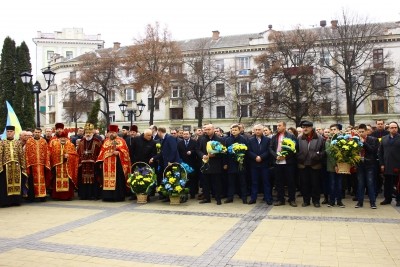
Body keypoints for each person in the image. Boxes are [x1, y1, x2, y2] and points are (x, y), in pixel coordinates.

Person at [96, 125, 131, 201]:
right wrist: (107, 154)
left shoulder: (121, 141)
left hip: (117, 164)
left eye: (113, 132)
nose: (112, 134)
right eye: (110, 132)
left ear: (117, 132)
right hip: (106, 164)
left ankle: (117, 196)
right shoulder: (106, 141)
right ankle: (107, 196)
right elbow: (102, 152)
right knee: (106, 179)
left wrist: (118, 152)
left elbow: (126, 152)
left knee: (118, 179)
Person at [297, 121, 325, 208]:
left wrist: (318, 156)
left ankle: (316, 201)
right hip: (303, 164)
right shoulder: (299, 138)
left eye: (307, 127)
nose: (305, 129)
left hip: (315, 164)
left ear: (311, 128)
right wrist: (300, 156)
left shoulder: (319, 138)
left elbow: (323, 150)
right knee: (305, 184)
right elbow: (296, 150)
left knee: (315, 184)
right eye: (303, 127)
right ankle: (306, 201)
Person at [269, 121, 298, 207]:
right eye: (277, 125)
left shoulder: (291, 136)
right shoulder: (274, 137)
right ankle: (280, 199)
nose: (277, 127)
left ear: (284, 127)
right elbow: (270, 148)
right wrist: (276, 156)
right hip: (277, 162)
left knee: (290, 182)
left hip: (288, 162)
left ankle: (292, 199)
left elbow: (295, 148)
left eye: (279, 126)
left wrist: (285, 156)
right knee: (278, 182)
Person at [196, 124, 225, 205]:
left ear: (213, 129)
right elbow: (198, 149)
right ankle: (207, 198)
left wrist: (215, 155)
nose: (207, 131)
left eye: (209, 129)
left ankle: (218, 198)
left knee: (217, 183)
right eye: (206, 129)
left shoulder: (220, 139)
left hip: (216, 164)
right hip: (205, 163)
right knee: (205, 183)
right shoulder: (201, 139)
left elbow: (223, 151)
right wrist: (203, 155)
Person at [48, 129, 79, 200]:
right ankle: (57, 196)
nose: (62, 139)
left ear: (66, 138)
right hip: (57, 166)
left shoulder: (71, 145)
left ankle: (67, 196)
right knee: (56, 180)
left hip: (67, 166)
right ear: (59, 138)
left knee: (67, 180)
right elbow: (52, 155)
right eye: (61, 138)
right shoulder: (55, 145)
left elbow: (75, 155)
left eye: (64, 138)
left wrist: (69, 156)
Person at [0, 126, 27, 207]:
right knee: (5, 185)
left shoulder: (18, 143)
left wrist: (23, 166)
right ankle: (6, 202)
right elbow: (0, 154)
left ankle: (16, 201)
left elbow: (21, 155)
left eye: (11, 131)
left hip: (17, 166)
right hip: (6, 167)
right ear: (6, 133)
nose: (9, 133)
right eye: (8, 131)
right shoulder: (2, 142)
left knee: (16, 184)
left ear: (14, 133)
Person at [355, 124, 379, 209]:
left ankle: (372, 202)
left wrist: (364, 143)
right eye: (359, 132)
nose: (361, 133)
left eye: (362, 131)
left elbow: (373, 151)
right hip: (360, 164)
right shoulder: (355, 140)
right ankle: (359, 202)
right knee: (360, 183)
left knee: (370, 183)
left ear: (366, 131)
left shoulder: (373, 139)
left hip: (369, 164)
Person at [77, 123, 102, 200]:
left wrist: (98, 162)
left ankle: (94, 195)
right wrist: (79, 162)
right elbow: (78, 153)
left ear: (93, 133)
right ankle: (84, 195)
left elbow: (100, 152)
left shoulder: (97, 141)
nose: (88, 134)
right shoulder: (81, 142)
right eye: (86, 133)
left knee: (94, 180)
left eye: (89, 133)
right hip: (83, 165)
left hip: (94, 165)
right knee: (83, 180)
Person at [248, 124, 272, 205]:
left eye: (259, 129)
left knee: (266, 182)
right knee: (254, 182)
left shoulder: (267, 140)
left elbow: (269, 150)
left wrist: (261, 157)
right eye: (256, 130)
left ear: (262, 130)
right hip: (254, 164)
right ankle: (253, 198)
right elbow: (248, 151)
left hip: (264, 164)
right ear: (254, 131)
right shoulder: (250, 140)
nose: (257, 131)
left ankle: (268, 198)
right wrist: (255, 157)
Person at [224, 124, 248, 204]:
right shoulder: (227, 140)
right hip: (231, 164)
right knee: (231, 182)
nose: (233, 131)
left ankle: (244, 197)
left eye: (235, 130)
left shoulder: (243, 139)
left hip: (241, 163)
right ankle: (230, 197)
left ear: (239, 130)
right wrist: (225, 163)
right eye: (232, 130)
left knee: (242, 181)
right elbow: (225, 153)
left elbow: (246, 151)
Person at [25, 127, 51, 202]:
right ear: (33, 133)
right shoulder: (29, 141)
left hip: (41, 164)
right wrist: (28, 163)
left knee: (42, 180)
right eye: (36, 132)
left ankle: (42, 196)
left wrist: (46, 163)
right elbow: (26, 153)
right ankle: (33, 197)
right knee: (32, 181)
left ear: (41, 133)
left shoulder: (44, 141)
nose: (37, 133)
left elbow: (47, 153)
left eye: (38, 132)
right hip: (32, 165)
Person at [379, 121, 400, 206]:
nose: (394, 129)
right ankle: (387, 199)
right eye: (392, 127)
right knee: (387, 183)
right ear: (389, 129)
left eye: (395, 127)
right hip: (387, 165)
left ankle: (399, 200)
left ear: (397, 128)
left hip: (397, 164)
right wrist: (382, 164)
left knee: (398, 184)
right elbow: (380, 152)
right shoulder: (384, 138)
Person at [177, 130, 199, 199]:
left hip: (192, 163)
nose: (185, 135)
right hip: (183, 163)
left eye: (187, 134)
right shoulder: (179, 143)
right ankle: (184, 194)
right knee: (184, 179)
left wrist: (191, 152)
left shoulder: (194, 142)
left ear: (189, 135)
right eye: (184, 134)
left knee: (192, 179)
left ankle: (192, 194)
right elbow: (178, 153)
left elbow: (197, 151)